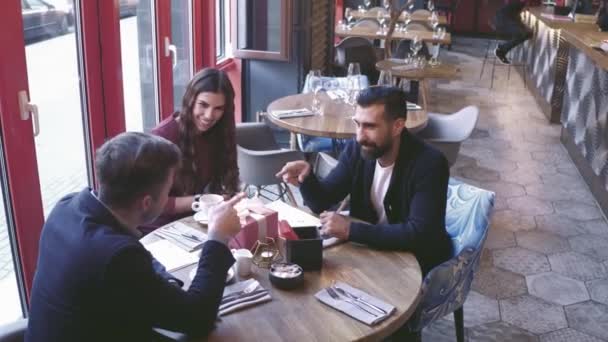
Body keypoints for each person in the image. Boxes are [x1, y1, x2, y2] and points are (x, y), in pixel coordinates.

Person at [26, 132, 244, 341]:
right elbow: (198, 319)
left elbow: (131, 261)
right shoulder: (117, 256)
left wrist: (162, 283)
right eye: (168, 190)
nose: (169, 195)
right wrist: (217, 237)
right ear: (146, 203)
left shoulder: (67, 206)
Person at [276, 86, 452, 275]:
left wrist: (351, 230)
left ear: (397, 126)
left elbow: (419, 234)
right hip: (372, 252)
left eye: (370, 126)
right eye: (357, 124)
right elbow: (322, 201)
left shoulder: (430, 163)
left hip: (416, 264)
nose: (359, 136)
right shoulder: (357, 150)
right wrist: (307, 178)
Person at [147, 67, 239, 233]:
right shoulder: (162, 137)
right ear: (190, 100)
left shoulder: (220, 131)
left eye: (218, 108)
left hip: (194, 220)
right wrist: (200, 201)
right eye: (203, 105)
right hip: (158, 227)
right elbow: (151, 203)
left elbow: (229, 177)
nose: (209, 115)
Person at [493, 0, 532, 65]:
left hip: (504, 19)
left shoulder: (519, 4)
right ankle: (501, 50)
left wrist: (523, 25)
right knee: (523, 34)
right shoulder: (519, 3)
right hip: (503, 20)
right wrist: (523, 25)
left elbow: (516, 15)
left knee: (527, 34)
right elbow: (514, 14)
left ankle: (502, 50)